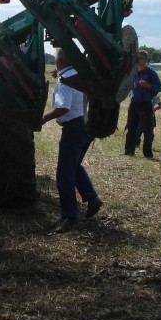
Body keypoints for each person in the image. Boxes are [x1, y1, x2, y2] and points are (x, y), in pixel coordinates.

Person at [42, 49, 103, 233]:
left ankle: (69, 216)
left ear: (59, 61)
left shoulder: (65, 80)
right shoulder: (78, 75)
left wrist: (43, 118)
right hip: (86, 125)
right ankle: (91, 198)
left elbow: (63, 108)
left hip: (74, 128)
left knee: (64, 175)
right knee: (74, 166)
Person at [124, 51, 161, 158]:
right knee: (131, 129)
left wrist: (148, 85)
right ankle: (129, 151)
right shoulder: (134, 72)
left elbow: (159, 87)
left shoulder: (151, 73)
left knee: (147, 130)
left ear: (145, 60)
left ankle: (148, 154)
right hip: (134, 103)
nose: (138, 60)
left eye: (140, 58)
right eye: (137, 58)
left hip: (145, 104)